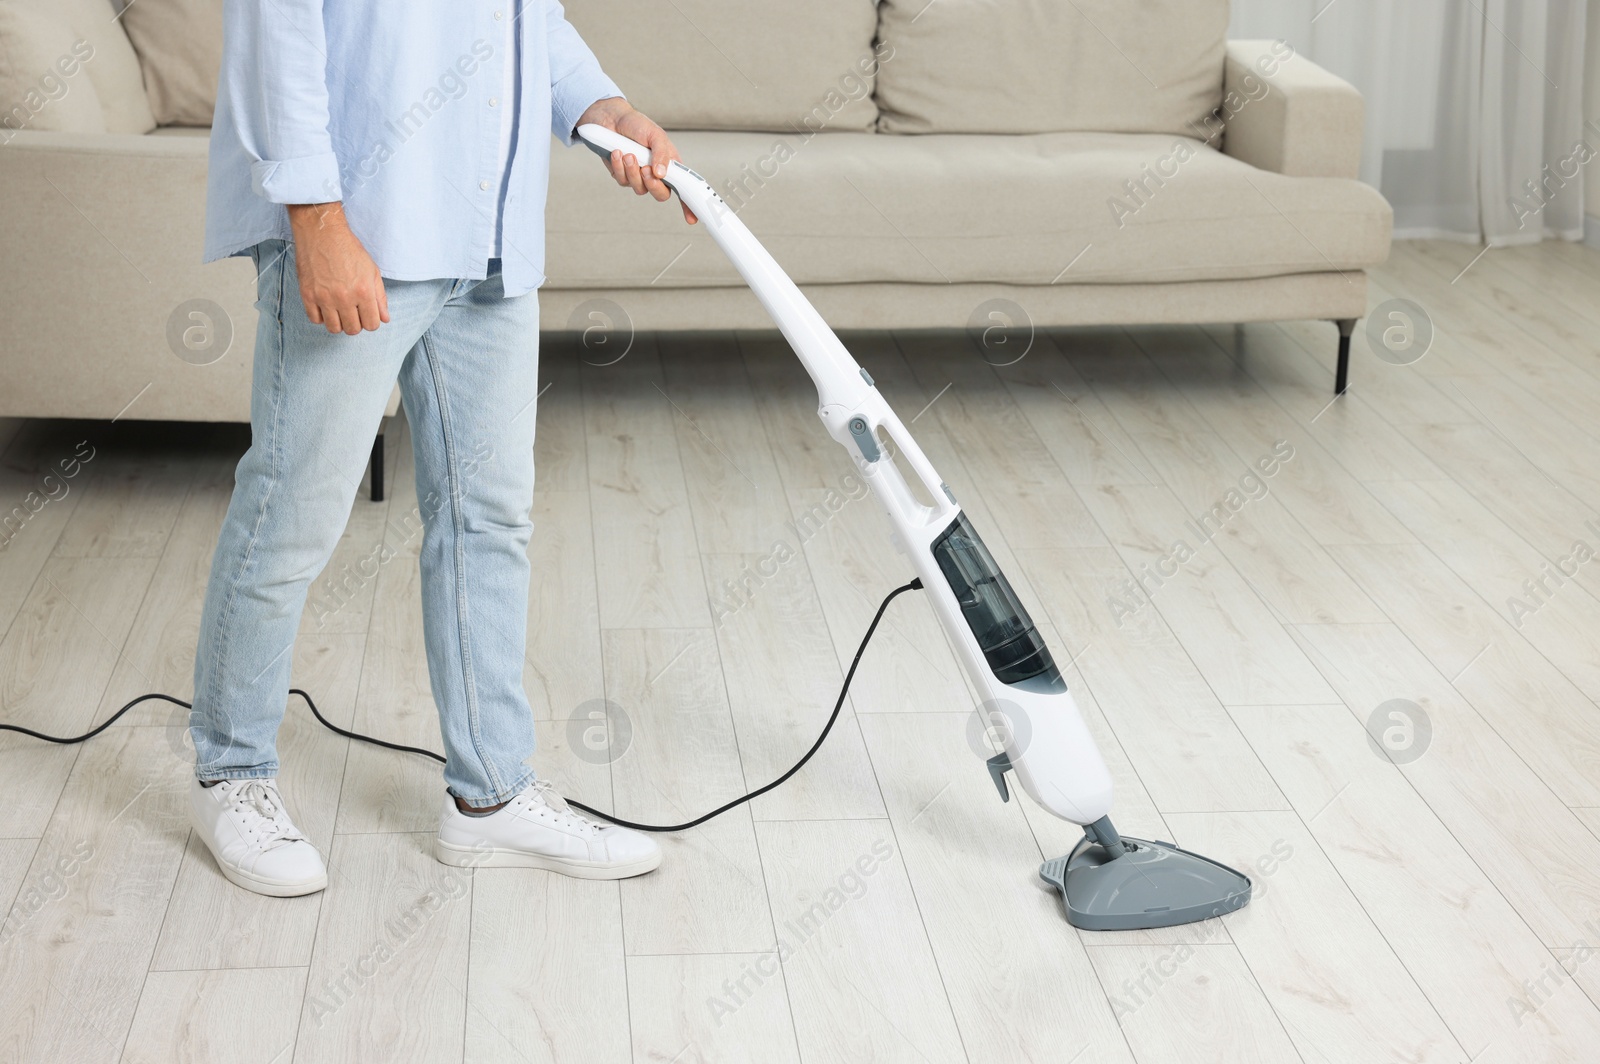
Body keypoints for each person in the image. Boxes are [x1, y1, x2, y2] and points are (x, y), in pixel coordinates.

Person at [188, 0, 691, 897]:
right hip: (363, 227)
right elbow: (279, 31)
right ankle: (232, 777)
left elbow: (528, 19)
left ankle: (490, 795)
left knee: (488, 518)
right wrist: (315, 216)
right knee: (290, 514)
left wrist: (600, 109)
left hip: (486, 241)